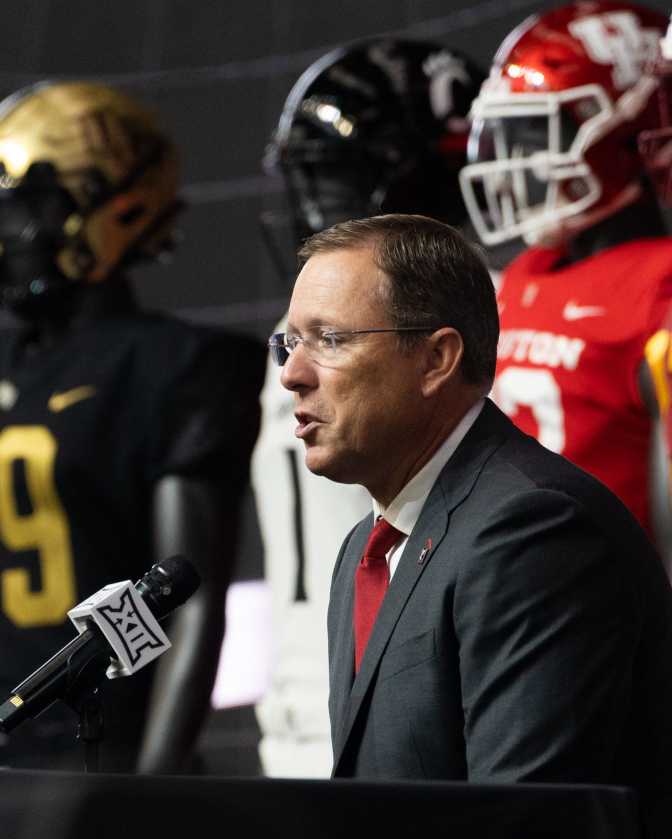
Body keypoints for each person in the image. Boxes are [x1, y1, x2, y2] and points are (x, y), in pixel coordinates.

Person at [275, 213, 672, 834]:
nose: (291, 374)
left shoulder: (533, 529)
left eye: (329, 340)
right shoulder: (367, 545)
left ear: (436, 358)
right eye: (290, 343)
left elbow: (524, 822)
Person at [0, 81, 265, 773]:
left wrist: (152, 783)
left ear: (120, 206)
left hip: (102, 741)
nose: (0, 237)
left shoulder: (177, 364)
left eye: (29, 210)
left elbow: (186, 599)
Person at [253, 37, 484, 778]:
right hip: (337, 698)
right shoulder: (301, 345)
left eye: (339, 184)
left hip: (377, 716)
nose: (320, 214)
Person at [458, 1, 672, 556]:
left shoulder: (658, 284)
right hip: (506, 589)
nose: (517, 163)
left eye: (538, 134)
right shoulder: (526, 274)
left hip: (611, 615)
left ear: (633, 133)